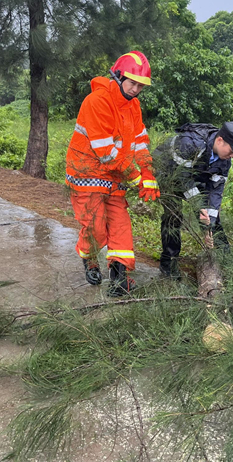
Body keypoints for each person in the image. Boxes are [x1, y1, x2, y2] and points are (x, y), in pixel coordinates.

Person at [65, 51, 160, 296]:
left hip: (116, 177)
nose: (136, 89)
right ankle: (89, 258)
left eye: (141, 85)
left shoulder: (133, 106)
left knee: (121, 226)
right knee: (95, 228)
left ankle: (119, 280)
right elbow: (105, 152)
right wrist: (137, 178)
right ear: (118, 76)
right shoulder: (96, 102)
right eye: (133, 83)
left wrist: (147, 173)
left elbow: (140, 142)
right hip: (87, 175)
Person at [153, 121, 233, 279]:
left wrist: (208, 223)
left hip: (195, 173)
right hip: (168, 172)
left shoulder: (225, 160)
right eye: (232, 150)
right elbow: (182, 179)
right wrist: (198, 205)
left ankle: (229, 264)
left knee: (212, 219)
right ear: (220, 141)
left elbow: (215, 191)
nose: (232, 156)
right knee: (173, 216)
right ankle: (168, 265)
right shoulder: (190, 143)